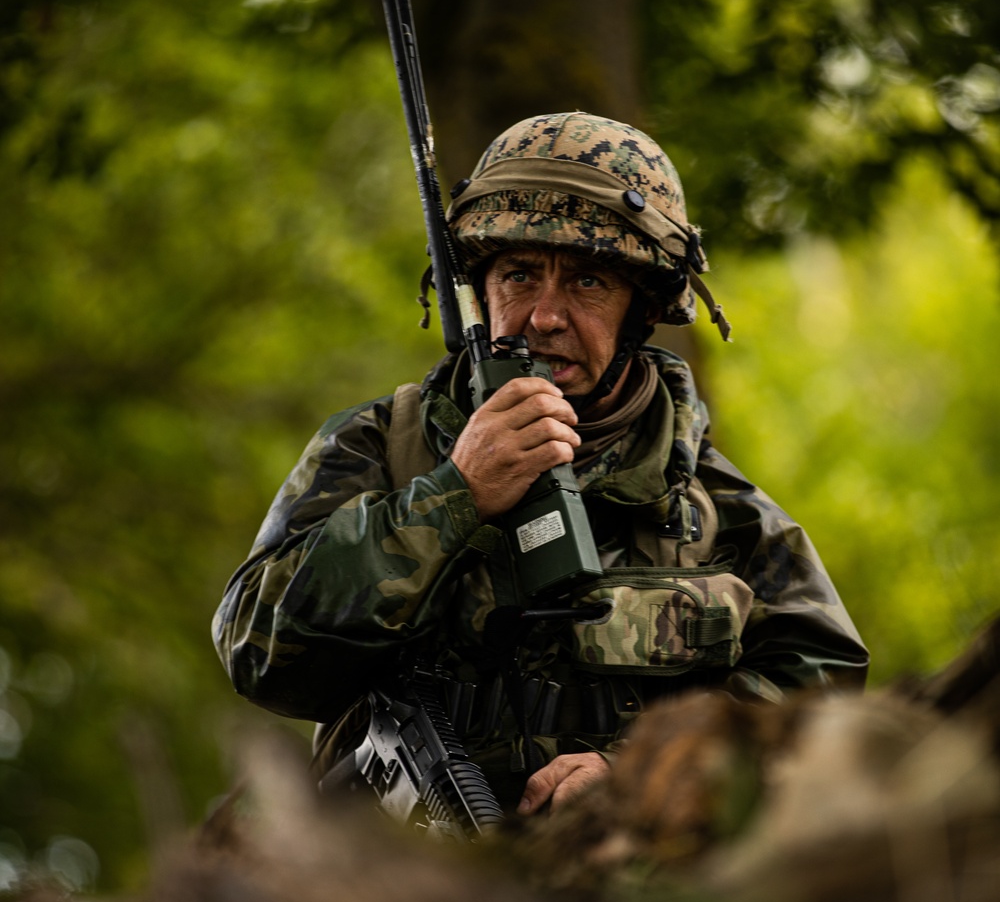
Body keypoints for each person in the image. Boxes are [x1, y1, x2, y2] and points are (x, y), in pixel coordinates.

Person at [213, 112, 867, 815]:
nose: (545, 316)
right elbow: (258, 651)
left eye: (588, 283)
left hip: (625, 895)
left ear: (640, 311)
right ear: (481, 292)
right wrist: (452, 496)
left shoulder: (709, 506)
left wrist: (645, 777)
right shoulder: (382, 448)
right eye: (519, 276)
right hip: (393, 887)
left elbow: (823, 696)